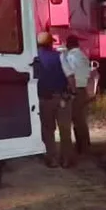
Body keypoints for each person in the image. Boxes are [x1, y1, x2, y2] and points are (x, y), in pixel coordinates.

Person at [36, 32, 75, 168]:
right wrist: (72, 91)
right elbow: (70, 76)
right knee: (65, 130)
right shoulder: (60, 56)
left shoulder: (34, 58)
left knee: (47, 130)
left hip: (44, 99)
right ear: (50, 44)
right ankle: (66, 159)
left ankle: (52, 159)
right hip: (61, 98)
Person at [64, 35, 92, 154]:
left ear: (68, 44)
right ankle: (85, 144)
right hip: (83, 89)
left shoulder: (70, 57)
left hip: (76, 90)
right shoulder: (83, 56)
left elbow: (69, 75)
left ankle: (81, 146)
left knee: (77, 119)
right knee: (81, 119)